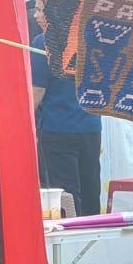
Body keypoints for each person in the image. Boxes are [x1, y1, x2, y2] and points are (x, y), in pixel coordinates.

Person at [30, 33, 102, 215]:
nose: (36, 14)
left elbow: (37, 91)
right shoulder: (91, 35)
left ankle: (69, 239)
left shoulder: (45, 41)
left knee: (63, 195)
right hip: (91, 125)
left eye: (39, 9)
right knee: (90, 190)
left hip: (57, 128)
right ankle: (92, 235)